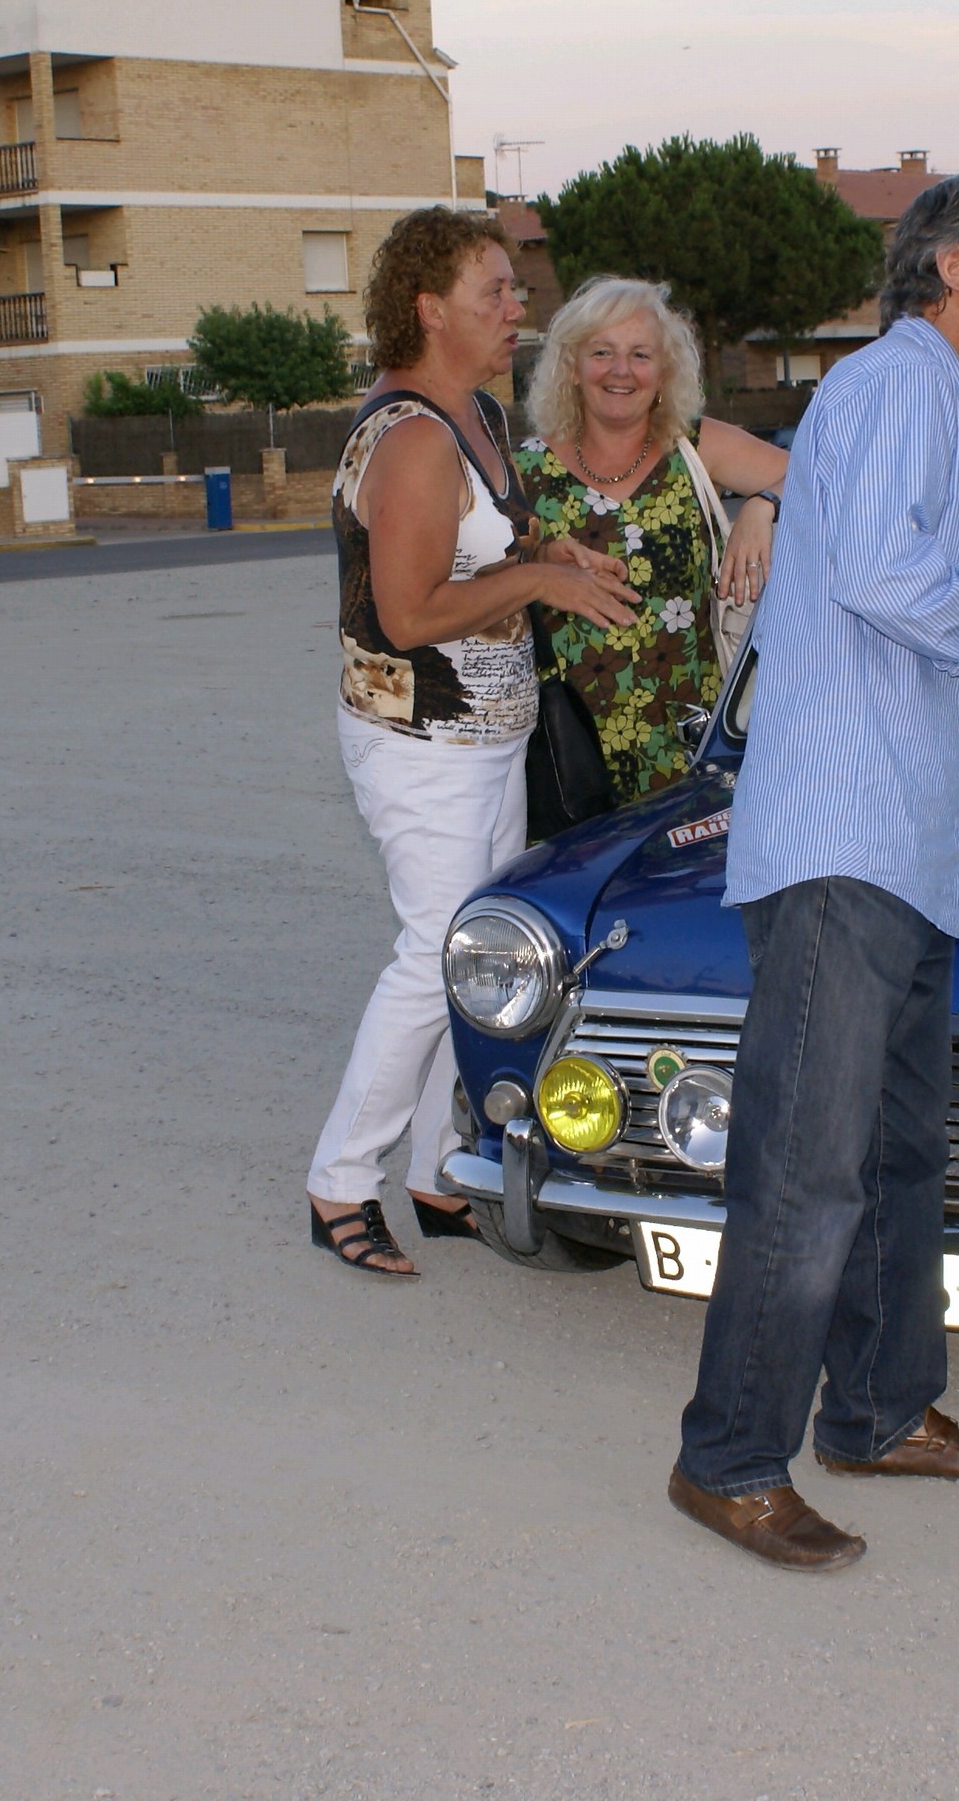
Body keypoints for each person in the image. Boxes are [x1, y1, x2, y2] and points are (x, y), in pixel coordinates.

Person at [669, 172, 959, 1572]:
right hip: (846, 847)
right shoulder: (899, 385)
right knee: (808, 1165)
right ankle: (730, 1459)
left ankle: (883, 1408)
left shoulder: (918, 402)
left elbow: (872, 607)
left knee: (898, 1154)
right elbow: (889, 580)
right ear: (958, 268)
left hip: (897, 847)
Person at [308, 207, 640, 1277]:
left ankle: (438, 1168)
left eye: (514, 287)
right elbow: (406, 614)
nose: (516, 306)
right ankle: (341, 1180)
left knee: (480, 953)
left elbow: (494, 533)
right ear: (428, 309)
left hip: (492, 736)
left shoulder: (478, 415)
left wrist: (556, 551)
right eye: (493, 290)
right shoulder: (410, 439)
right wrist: (540, 579)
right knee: (431, 956)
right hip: (421, 741)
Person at [516, 277, 791, 808]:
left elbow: (824, 476)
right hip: (570, 751)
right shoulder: (524, 472)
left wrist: (764, 505)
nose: (621, 370)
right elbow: (480, 577)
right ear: (572, 367)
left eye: (640, 354)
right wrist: (540, 562)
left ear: (663, 372)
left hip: (693, 741)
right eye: (602, 352)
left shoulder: (695, 447)